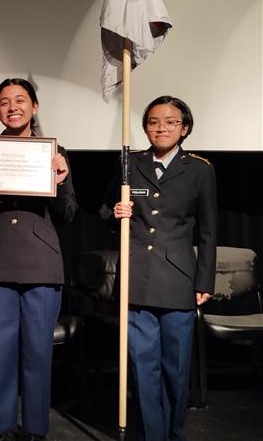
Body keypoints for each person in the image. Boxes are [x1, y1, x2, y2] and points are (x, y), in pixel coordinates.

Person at [0, 78, 78, 441]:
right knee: (0, 355)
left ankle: (35, 431)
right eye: (4, 102)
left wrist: (60, 179)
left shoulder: (54, 151)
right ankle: (2, 430)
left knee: (37, 356)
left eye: (20, 100)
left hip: (40, 265)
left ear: (34, 107)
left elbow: (67, 214)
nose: (12, 106)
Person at [110, 96, 217, 441]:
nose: (161, 128)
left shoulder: (200, 169)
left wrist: (205, 280)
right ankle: (152, 435)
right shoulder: (130, 163)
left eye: (171, 122)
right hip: (136, 279)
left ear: (184, 128)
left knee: (175, 368)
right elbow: (103, 211)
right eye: (154, 121)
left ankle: (175, 433)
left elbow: (208, 230)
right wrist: (115, 213)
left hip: (178, 281)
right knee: (144, 369)